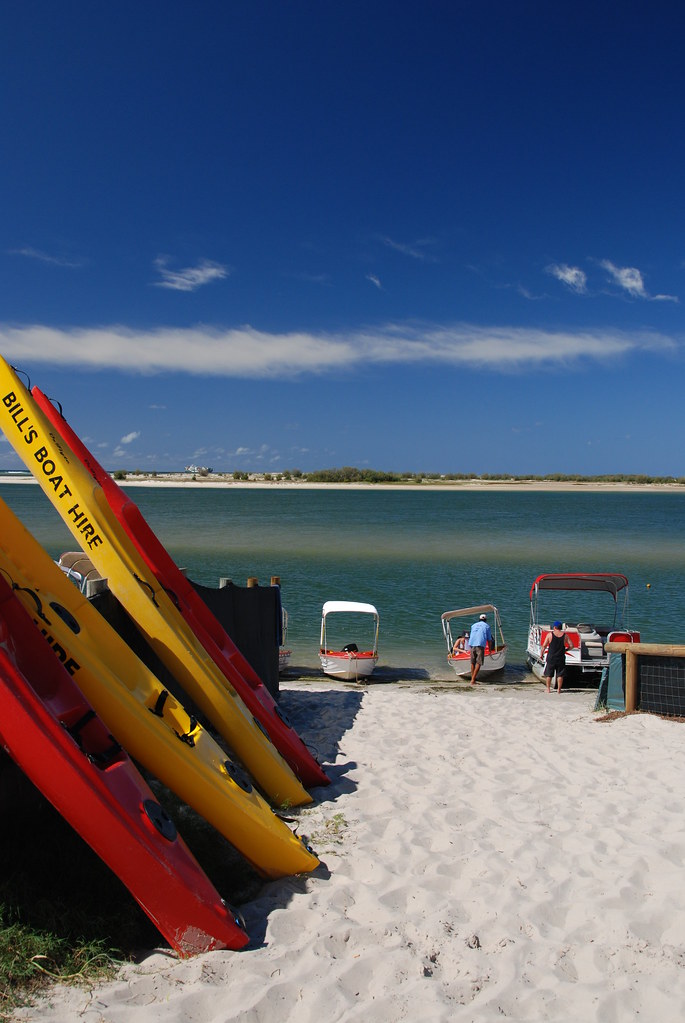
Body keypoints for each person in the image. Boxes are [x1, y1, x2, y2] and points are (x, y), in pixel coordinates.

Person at [540, 621, 573, 693]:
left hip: (551, 657)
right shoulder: (565, 636)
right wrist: (566, 649)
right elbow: (571, 645)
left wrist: (541, 654)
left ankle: (548, 689)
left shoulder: (550, 635)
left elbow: (544, 646)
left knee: (549, 674)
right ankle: (559, 689)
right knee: (560, 674)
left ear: (554, 627)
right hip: (560, 657)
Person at [468, 613, 493, 685]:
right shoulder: (487, 626)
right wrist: (490, 650)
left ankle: (473, 679)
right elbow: (489, 639)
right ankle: (473, 680)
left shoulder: (473, 625)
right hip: (480, 645)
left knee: (473, 662)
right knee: (479, 662)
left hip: (472, 644)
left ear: (479, 619)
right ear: (485, 620)